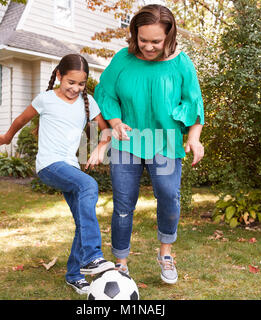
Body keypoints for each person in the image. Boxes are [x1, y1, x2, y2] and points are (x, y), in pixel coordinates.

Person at [94, 4, 205, 284]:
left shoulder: (181, 64)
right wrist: (116, 122)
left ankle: (166, 254)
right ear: (134, 34)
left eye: (156, 41)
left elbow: (194, 104)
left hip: (165, 143)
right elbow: (105, 93)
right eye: (143, 40)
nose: (148, 46)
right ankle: (120, 263)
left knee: (169, 196)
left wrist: (193, 138)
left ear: (169, 36)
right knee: (122, 203)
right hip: (127, 142)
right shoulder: (122, 59)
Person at [0, 54, 114, 295]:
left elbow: (106, 130)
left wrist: (101, 148)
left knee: (83, 220)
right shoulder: (46, 99)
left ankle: (74, 275)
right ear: (59, 75)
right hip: (49, 165)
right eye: (71, 82)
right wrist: (8, 137)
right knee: (89, 185)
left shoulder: (88, 101)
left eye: (81, 84)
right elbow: (21, 119)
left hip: (69, 167)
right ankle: (92, 257)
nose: (75, 88)